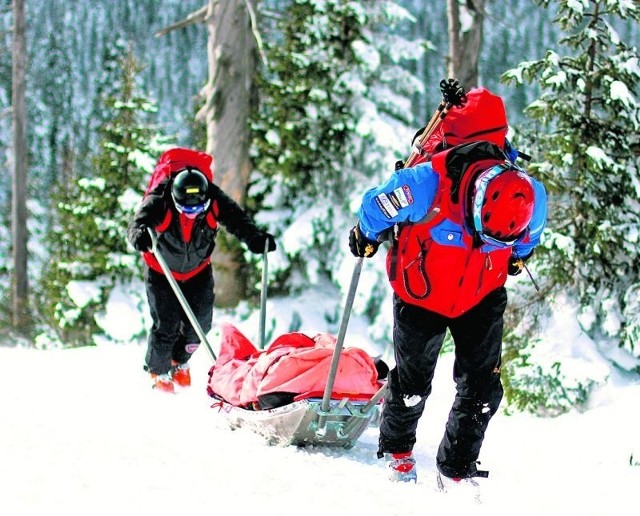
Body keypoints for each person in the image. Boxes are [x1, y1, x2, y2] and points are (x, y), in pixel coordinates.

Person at [348, 87, 547, 493]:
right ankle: (398, 449)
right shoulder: (431, 179)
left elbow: (376, 207)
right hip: (434, 294)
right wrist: (515, 258)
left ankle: (454, 467)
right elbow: (528, 240)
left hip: (459, 293)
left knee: (435, 383)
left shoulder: (427, 182)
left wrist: (366, 235)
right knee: (466, 386)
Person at [128, 148, 276, 394]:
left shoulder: (213, 197)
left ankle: (179, 362)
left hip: (197, 271)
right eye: (186, 210)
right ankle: (158, 371)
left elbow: (236, 219)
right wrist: (139, 236)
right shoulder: (160, 198)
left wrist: (256, 239)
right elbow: (137, 223)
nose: (192, 214)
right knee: (166, 325)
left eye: (198, 210)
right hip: (161, 271)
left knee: (200, 325)